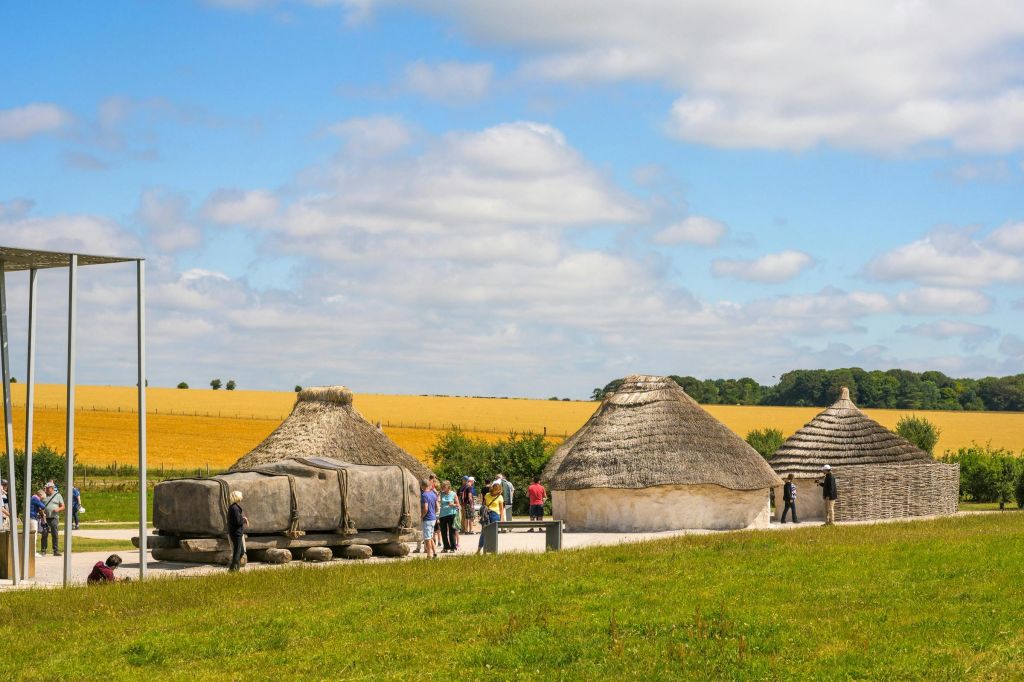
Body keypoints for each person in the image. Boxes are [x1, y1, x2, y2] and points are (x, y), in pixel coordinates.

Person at [475, 482, 504, 555]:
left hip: (495, 515)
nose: (497, 491)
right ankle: (479, 550)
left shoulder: (500, 497)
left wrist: (502, 519)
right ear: (493, 489)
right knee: (483, 533)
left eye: (498, 490)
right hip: (487, 515)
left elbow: (501, 509)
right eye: (496, 490)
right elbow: (483, 505)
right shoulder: (487, 495)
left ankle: (492, 551)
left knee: (493, 534)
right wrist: (482, 513)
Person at [227, 490, 248, 571]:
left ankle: (234, 568)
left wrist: (242, 518)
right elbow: (238, 521)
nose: (242, 497)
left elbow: (237, 519)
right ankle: (233, 570)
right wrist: (244, 519)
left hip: (236, 532)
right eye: (241, 495)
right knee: (237, 552)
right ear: (237, 497)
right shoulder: (235, 508)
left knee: (241, 551)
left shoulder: (233, 507)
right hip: (236, 533)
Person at [437, 480, 460, 553]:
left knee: (451, 531)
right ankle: (446, 547)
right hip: (442, 515)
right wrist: (438, 494)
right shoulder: (441, 494)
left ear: (448, 487)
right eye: (442, 486)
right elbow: (437, 501)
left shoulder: (453, 494)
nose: (443, 487)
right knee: (443, 532)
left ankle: (453, 547)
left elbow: (458, 505)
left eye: (444, 486)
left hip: (451, 514)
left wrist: (453, 504)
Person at [42, 481, 65, 556]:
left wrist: (58, 509)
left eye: (48, 488)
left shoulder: (58, 495)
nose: (47, 489)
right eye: (46, 488)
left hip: (54, 518)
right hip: (45, 518)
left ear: (52, 488)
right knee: (44, 534)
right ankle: (43, 550)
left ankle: (55, 551)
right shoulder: (44, 496)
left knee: (55, 534)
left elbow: (63, 506)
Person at [420, 479, 438, 559]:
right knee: (430, 536)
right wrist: (434, 513)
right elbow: (437, 507)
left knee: (427, 538)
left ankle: (429, 555)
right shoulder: (433, 494)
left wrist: (422, 516)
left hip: (427, 519)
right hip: (433, 518)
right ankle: (435, 553)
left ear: (423, 486)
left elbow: (426, 508)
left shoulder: (424, 495)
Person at [31, 489, 47, 557]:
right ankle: (33, 552)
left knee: (31, 535)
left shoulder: (32, 498)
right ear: (40, 495)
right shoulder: (35, 498)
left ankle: (31, 551)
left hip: (30, 518)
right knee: (34, 536)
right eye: (42, 498)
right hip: (32, 518)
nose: (41, 500)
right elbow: (43, 506)